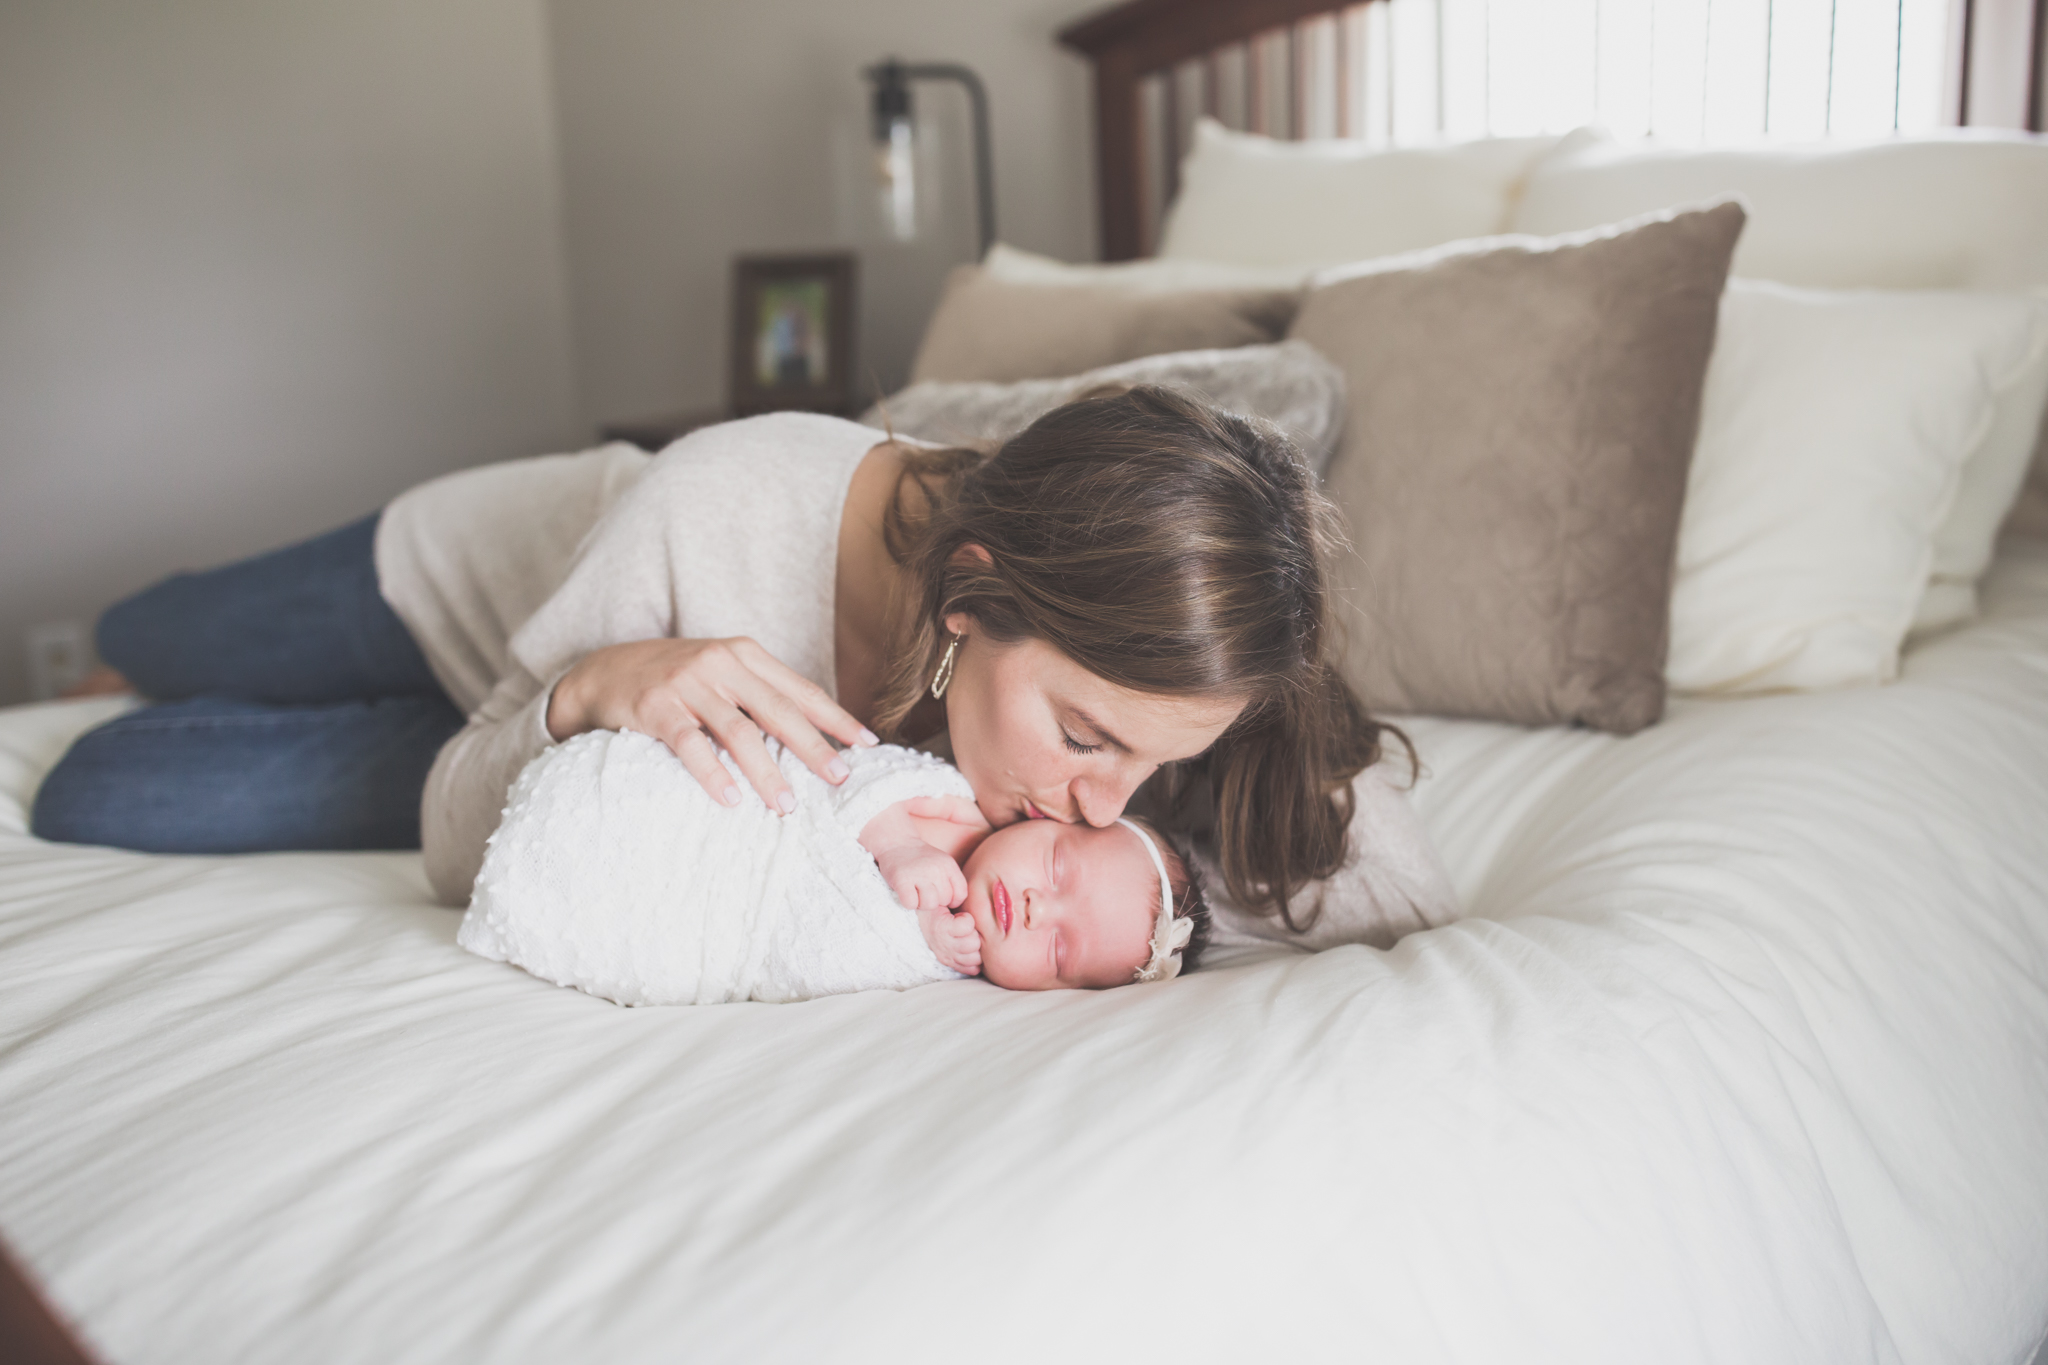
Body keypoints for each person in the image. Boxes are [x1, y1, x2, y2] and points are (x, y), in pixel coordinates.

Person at [34, 386, 1448, 942]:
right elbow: (459, 840)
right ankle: (138, 653)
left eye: (1162, 763)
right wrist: (588, 693)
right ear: (970, 602)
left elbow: (1403, 888)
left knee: (106, 792)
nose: (1107, 803)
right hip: (465, 578)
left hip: (537, 705)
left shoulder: (1183, 645)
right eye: (1085, 738)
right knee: (147, 639)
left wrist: (1136, 907)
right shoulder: (722, 510)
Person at [459, 728, 1207, 1004]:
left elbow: (817, 952)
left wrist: (927, 937)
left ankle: (545, 901)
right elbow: (853, 775)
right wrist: (898, 844)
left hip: (738, 920)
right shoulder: (957, 807)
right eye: (1059, 869)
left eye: (1061, 949)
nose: (1039, 908)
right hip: (747, 831)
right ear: (1048, 823)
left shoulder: (949, 968)